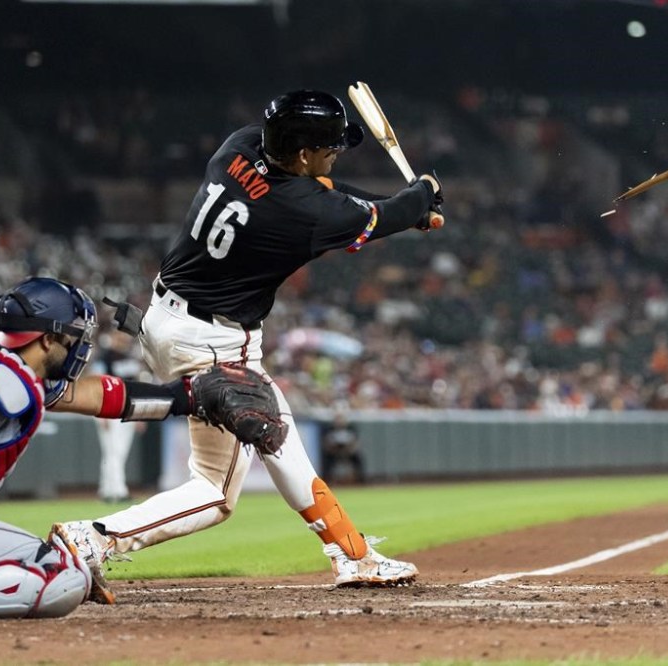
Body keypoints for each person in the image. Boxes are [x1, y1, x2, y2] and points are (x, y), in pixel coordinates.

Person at [53, 89, 443, 595]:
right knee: (235, 474)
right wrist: (419, 196)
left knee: (224, 478)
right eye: (327, 148)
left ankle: (93, 541)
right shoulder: (306, 215)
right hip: (215, 343)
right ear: (303, 154)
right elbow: (358, 215)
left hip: (161, 321)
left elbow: (329, 195)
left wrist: (406, 205)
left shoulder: (238, 146)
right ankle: (352, 554)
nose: (333, 155)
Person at [0, 277, 205, 619]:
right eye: (72, 337)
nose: (78, 347)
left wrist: (182, 398)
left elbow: (95, 394)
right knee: (61, 573)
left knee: (56, 569)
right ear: (48, 339)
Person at [92, 330, 147, 503]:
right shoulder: (105, 357)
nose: (123, 340)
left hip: (127, 409)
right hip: (109, 409)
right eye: (119, 337)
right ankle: (119, 491)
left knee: (116, 453)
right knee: (113, 451)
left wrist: (138, 415)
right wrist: (102, 415)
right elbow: (96, 385)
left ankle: (107, 489)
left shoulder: (131, 358)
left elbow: (136, 388)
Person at [320, 411, 365, 484]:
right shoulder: (329, 428)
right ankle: (326, 480)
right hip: (333, 452)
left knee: (358, 458)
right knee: (326, 460)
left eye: (341, 419)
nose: (340, 421)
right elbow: (325, 443)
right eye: (338, 419)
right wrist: (333, 450)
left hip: (348, 451)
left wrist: (348, 450)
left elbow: (356, 443)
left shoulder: (351, 428)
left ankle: (361, 480)